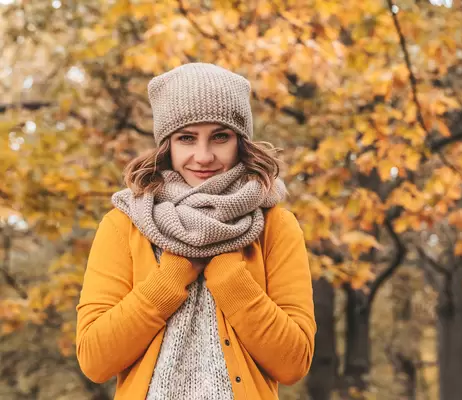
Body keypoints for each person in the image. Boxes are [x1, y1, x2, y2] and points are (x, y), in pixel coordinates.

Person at [75, 63, 317, 400]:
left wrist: (229, 275)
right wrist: (172, 275)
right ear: (167, 145)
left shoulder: (276, 226)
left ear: (240, 142)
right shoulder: (123, 225)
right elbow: (94, 359)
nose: (203, 156)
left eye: (220, 136)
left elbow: (293, 363)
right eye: (187, 138)